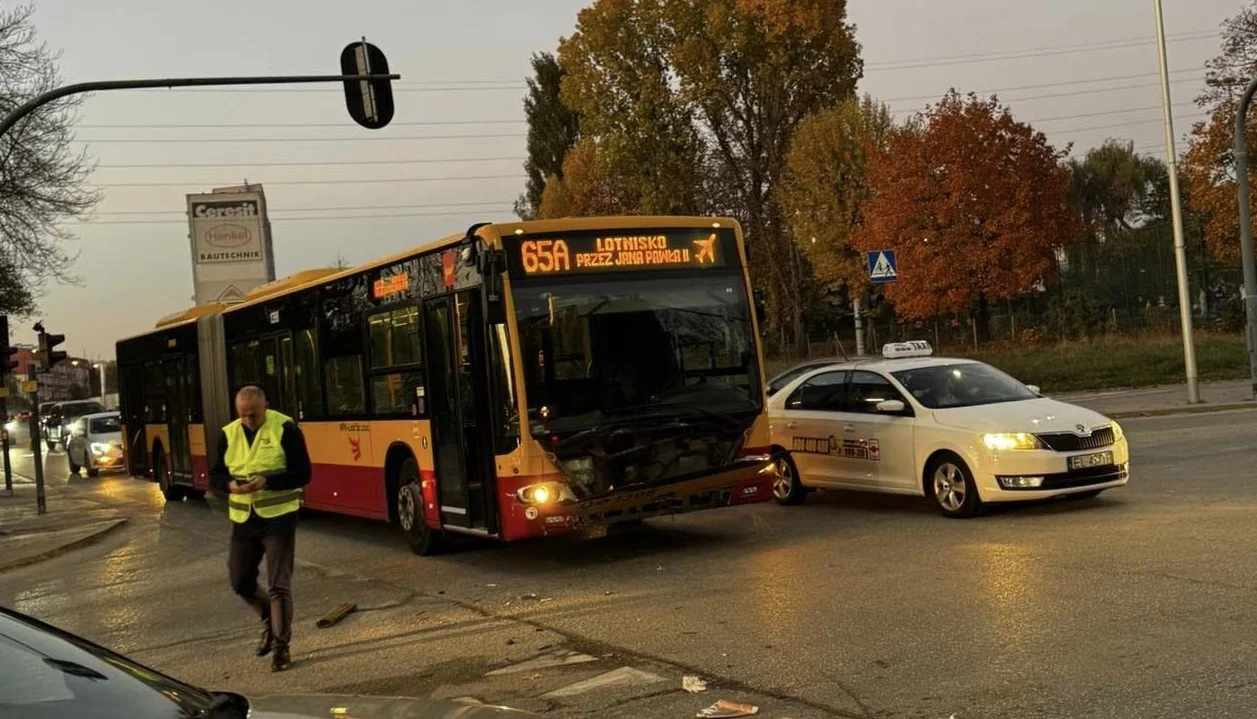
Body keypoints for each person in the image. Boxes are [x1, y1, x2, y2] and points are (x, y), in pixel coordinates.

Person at [209, 386, 311, 672]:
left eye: (253, 415)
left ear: (265, 406)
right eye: (243, 415)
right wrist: (228, 485)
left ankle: (281, 647)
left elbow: (303, 474)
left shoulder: (285, 428)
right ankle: (268, 616)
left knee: (279, 584)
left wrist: (268, 481)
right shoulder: (228, 433)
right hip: (244, 520)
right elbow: (215, 473)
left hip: (279, 517)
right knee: (239, 580)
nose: (249, 420)